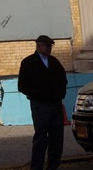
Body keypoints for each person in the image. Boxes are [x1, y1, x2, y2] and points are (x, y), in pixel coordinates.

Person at [17, 35, 67, 170]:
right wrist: (37, 95)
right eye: (47, 46)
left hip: (55, 104)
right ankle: (37, 167)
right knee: (41, 137)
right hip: (40, 105)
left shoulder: (54, 62)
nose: (50, 48)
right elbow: (22, 85)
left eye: (51, 46)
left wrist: (60, 94)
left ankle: (53, 166)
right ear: (39, 46)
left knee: (56, 138)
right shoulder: (28, 62)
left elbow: (63, 80)